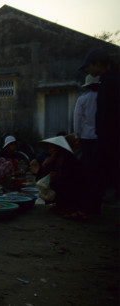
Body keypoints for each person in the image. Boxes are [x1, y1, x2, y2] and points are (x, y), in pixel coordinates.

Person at [79, 48, 120, 213]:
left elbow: (111, 113)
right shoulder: (107, 81)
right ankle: (90, 209)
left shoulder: (112, 82)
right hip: (104, 137)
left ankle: (87, 210)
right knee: (100, 174)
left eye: (89, 66)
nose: (89, 69)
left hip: (109, 138)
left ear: (97, 64)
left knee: (96, 174)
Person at [36, 136, 84, 215]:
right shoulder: (54, 159)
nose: (50, 150)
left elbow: (75, 180)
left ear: (58, 148)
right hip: (63, 185)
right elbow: (39, 179)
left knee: (58, 183)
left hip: (75, 189)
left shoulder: (70, 160)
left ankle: (71, 206)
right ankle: (61, 204)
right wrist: (44, 165)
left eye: (52, 147)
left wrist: (59, 176)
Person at [74, 74, 100, 170]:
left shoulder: (82, 99)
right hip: (99, 136)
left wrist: (77, 135)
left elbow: (77, 119)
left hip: (86, 136)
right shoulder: (102, 97)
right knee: (98, 163)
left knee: (87, 162)